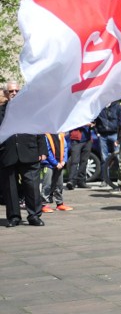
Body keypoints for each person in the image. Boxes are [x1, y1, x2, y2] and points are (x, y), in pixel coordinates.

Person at [2, 81, 48, 227]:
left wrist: (42, 150)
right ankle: (14, 216)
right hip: (7, 154)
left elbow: (39, 130)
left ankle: (34, 215)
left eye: (17, 90)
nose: (14, 93)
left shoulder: (30, 110)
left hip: (29, 151)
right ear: (6, 94)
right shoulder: (1, 111)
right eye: (11, 91)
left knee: (33, 186)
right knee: (10, 188)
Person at [95, 100, 121, 188]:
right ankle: (105, 180)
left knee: (119, 157)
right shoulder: (99, 106)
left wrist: (119, 136)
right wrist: (97, 132)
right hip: (102, 135)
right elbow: (94, 120)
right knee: (104, 158)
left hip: (114, 134)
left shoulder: (117, 106)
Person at [41, 132, 72, 212]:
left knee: (59, 185)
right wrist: (55, 163)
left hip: (60, 164)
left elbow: (65, 148)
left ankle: (60, 203)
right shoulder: (46, 135)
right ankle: (43, 204)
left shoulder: (61, 134)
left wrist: (64, 161)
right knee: (47, 184)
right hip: (48, 164)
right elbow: (47, 151)